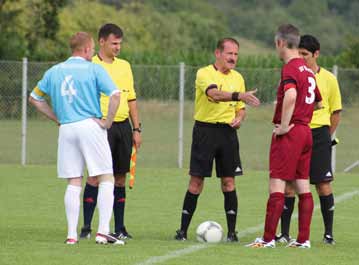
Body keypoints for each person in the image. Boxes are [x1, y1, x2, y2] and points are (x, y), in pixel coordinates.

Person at [29, 32, 124, 245]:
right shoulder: (94, 68)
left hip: (67, 129)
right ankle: (103, 232)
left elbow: (34, 98)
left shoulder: (54, 71)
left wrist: (57, 118)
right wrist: (107, 122)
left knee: (74, 180)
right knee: (106, 176)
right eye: (91, 50)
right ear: (87, 49)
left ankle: (71, 236)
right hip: (90, 125)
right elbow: (116, 95)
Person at [174, 37, 260, 242]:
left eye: (236, 54)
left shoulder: (238, 77)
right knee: (196, 181)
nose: (233, 58)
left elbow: (241, 109)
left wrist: (239, 118)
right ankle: (182, 231)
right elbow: (214, 94)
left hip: (227, 135)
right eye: (229, 53)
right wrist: (240, 95)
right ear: (218, 53)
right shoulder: (204, 73)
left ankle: (232, 233)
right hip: (205, 131)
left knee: (229, 182)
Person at [246, 24, 322, 248]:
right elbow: (318, 102)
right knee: (303, 186)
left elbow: (290, 95)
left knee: (277, 185)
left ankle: (268, 239)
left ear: (280, 43)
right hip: (307, 131)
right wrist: (301, 115)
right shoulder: (308, 70)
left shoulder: (290, 67)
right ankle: (303, 240)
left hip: (291, 133)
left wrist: (284, 126)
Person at [275, 35, 342, 245]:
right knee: (289, 185)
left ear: (316, 54)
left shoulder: (329, 78)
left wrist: (326, 136)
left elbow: (335, 113)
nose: (302, 58)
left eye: (306, 54)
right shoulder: (294, 73)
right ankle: (285, 233)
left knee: (322, 184)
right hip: (296, 132)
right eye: (299, 53)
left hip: (319, 134)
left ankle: (328, 233)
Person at [79, 23, 141, 240]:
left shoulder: (124, 66)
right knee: (95, 176)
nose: (118, 47)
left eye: (120, 43)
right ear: (102, 41)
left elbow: (131, 98)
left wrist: (137, 128)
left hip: (123, 127)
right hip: (99, 127)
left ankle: (120, 227)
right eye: (114, 43)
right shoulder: (90, 65)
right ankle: (86, 227)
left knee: (119, 178)